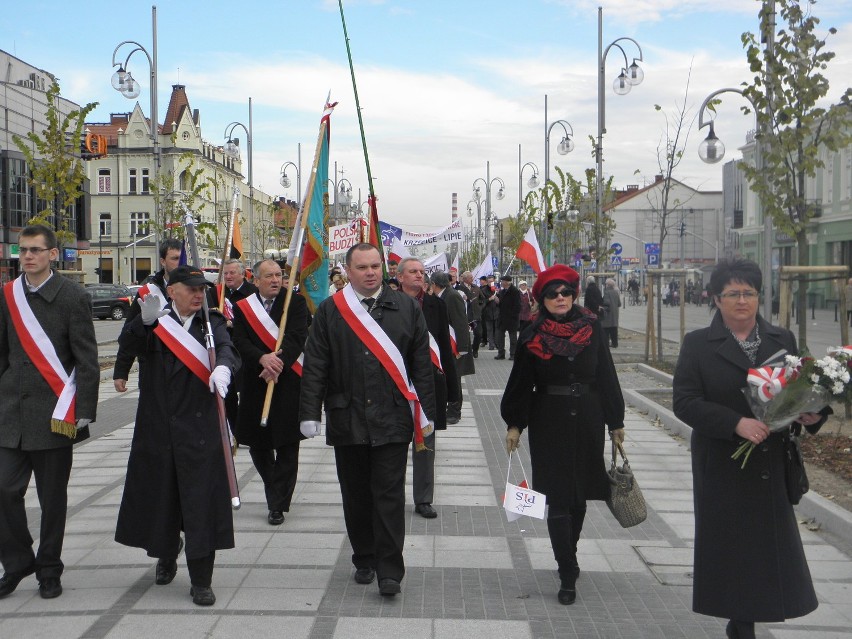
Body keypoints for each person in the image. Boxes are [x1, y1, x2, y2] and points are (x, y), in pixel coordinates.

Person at [672, 258, 827, 639]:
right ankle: (741, 623)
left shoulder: (782, 340)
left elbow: (802, 389)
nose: (742, 301)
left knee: (764, 550)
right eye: (733, 294)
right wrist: (735, 423)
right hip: (723, 464)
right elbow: (685, 401)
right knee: (733, 550)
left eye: (749, 293)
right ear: (716, 299)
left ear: (759, 297)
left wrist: (810, 415)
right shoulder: (698, 344)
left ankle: (748, 620)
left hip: (770, 462)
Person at [299, 243, 436, 597]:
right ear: (348, 270)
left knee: (389, 495)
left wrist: (427, 415)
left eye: (376, 265)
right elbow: (316, 364)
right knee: (356, 495)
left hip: (393, 417)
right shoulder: (331, 311)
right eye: (362, 267)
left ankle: (390, 570)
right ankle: (364, 557)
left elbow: (422, 365)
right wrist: (310, 412)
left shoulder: (406, 308)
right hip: (348, 417)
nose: (371, 272)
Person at [114, 265, 241, 606]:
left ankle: (201, 580)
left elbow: (229, 348)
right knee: (163, 501)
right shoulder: (155, 320)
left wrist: (225, 367)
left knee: (202, 508)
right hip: (160, 427)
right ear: (172, 291)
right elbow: (127, 345)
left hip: (199, 432)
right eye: (191, 288)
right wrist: (142, 322)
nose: (199, 294)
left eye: (202, 288)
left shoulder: (210, 323)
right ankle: (166, 555)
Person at [501, 264, 624, 606]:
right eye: (553, 294)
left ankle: (568, 551)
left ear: (574, 295)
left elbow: (606, 375)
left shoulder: (592, 327)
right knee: (557, 496)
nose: (560, 298)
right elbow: (521, 383)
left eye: (565, 292)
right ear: (542, 298)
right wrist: (515, 424)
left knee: (580, 496)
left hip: (588, 416)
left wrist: (616, 421)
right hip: (548, 419)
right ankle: (566, 571)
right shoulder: (532, 333)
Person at [0, 225, 99, 600]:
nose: (27, 256)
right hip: (11, 414)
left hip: (56, 413)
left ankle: (49, 569)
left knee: (52, 499)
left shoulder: (73, 296)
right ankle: (18, 560)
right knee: (4, 490)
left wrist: (84, 409)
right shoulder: (8, 296)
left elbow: (86, 359)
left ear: (53, 254)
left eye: (36, 250)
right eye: (23, 250)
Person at [232, 259, 309, 526]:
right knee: (258, 443)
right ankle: (273, 486)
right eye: (269, 276)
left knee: (288, 445)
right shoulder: (243, 308)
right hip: (256, 381)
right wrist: (262, 359)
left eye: (279, 275)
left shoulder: (295, 303)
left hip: (287, 381)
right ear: (256, 280)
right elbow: (239, 340)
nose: (276, 280)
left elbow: (297, 337)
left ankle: (277, 504)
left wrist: (277, 363)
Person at [398, 259, 458, 519]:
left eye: (422, 272)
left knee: (426, 444)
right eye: (413, 272)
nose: (419, 276)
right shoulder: (386, 303)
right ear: (400, 277)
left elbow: (444, 347)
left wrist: (454, 392)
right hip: (396, 383)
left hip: (429, 384)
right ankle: (391, 496)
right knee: (394, 445)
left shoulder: (436, 304)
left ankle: (423, 499)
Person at [113, 238, 182, 392]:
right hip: (154, 368)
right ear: (163, 261)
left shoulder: (197, 291)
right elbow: (130, 333)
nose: (180, 263)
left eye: (182, 258)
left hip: (185, 368)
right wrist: (121, 371)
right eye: (175, 258)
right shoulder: (146, 292)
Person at [430, 271, 473, 424]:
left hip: (456, 347)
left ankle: (455, 412)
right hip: (446, 345)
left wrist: (462, 348)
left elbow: (461, 322)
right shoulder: (441, 296)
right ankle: (449, 409)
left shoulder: (452, 296)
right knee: (448, 377)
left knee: (454, 378)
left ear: (434, 284)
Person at [457, 271, 484, 358]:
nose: (472, 279)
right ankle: (466, 352)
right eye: (470, 277)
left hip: (475, 316)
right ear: (465, 279)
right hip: (466, 316)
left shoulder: (476, 287)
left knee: (478, 334)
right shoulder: (459, 288)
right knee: (466, 335)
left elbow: (483, 299)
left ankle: (475, 350)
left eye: (472, 277)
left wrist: (480, 308)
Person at [494, 275, 521, 360]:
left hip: (511, 318)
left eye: (502, 281)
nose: (501, 283)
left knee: (513, 338)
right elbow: (500, 304)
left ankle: (513, 354)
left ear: (507, 282)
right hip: (502, 318)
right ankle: (501, 353)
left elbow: (517, 306)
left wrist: (513, 315)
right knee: (500, 336)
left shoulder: (514, 291)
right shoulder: (501, 292)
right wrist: (497, 302)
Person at [479, 276, 498, 350]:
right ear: (487, 282)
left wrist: (498, 299)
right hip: (487, 313)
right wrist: (489, 299)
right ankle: (491, 344)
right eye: (489, 281)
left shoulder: (496, 289)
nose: (491, 283)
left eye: (492, 281)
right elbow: (482, 302)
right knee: (489, 329)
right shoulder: (483, 290)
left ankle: (497, 343)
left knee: (496, 329)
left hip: (496, 312)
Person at [601, 278, 620, 348]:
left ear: (608, 285)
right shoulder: (615, 292)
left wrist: (602, 308)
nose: (605, 285)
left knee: (606, 331)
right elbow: (619, 303)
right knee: (614, 330)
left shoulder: (606, 292)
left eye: (606, 284)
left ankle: (606, 344)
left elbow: (606, 304)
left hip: (608, 315)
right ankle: (615, 344)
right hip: (615, 314)